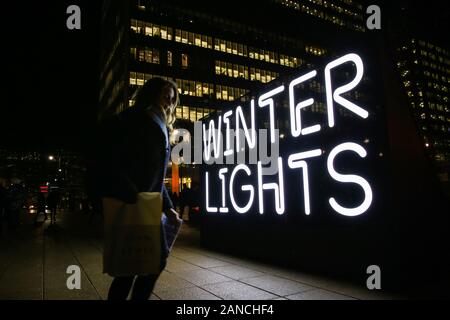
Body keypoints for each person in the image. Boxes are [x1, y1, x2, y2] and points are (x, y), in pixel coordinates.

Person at [96, 77, 181, 300]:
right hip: (134, 204)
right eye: (165, 96)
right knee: (135, 266)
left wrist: (168, 206)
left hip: (148, 205)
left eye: (172, 100)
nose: (168, 103)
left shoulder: (162, 126)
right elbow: (109, 160)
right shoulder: (132, 120)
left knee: (144, 263)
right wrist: (131, 194)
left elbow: (155, 175)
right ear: (151, 94)